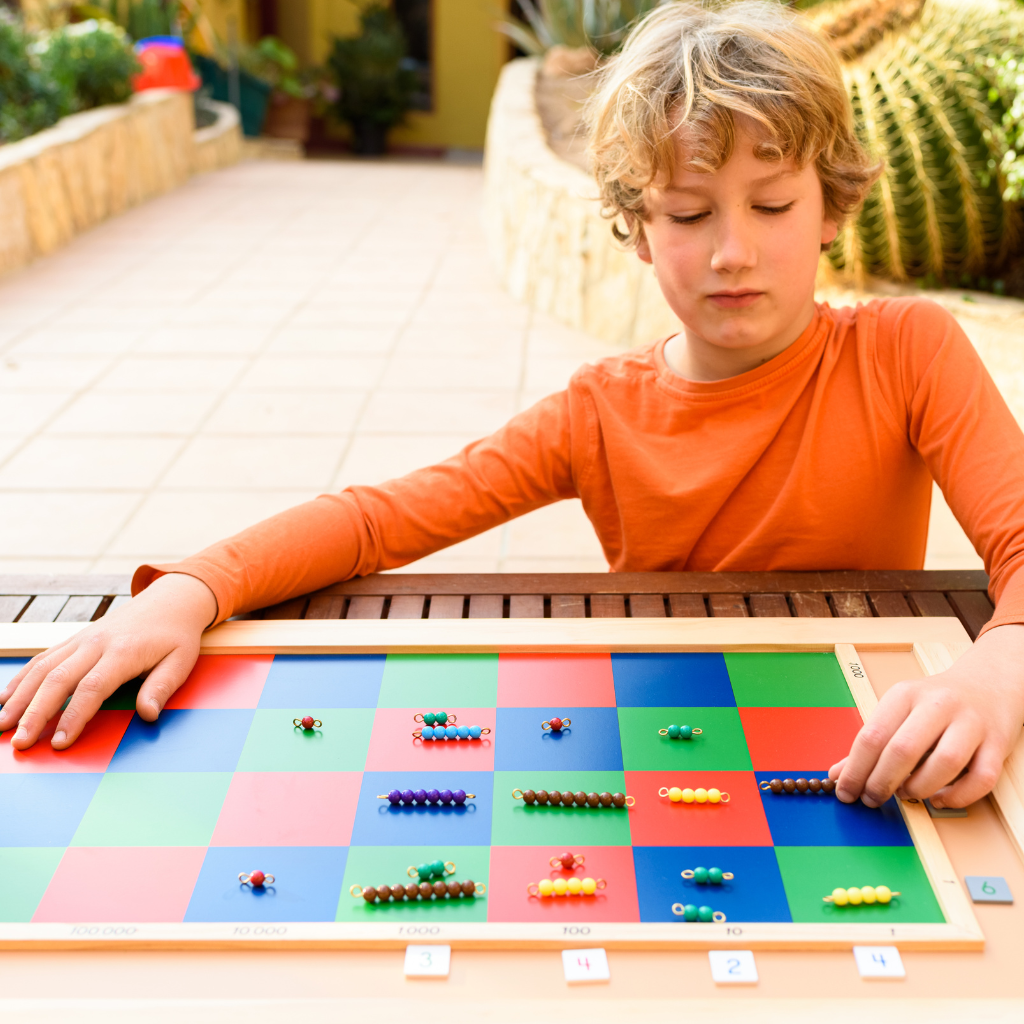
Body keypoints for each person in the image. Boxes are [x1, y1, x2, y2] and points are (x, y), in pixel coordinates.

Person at [3, 1, 1023, 812]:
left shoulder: (908, 349)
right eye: (686, 211)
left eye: (769, 205)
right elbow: (377, 519)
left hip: (864, 733)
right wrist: (187, 590)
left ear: (832, 203)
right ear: (632, 226)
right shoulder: (597, 411)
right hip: (667, 750)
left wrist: (992, 672)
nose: (731, 250)